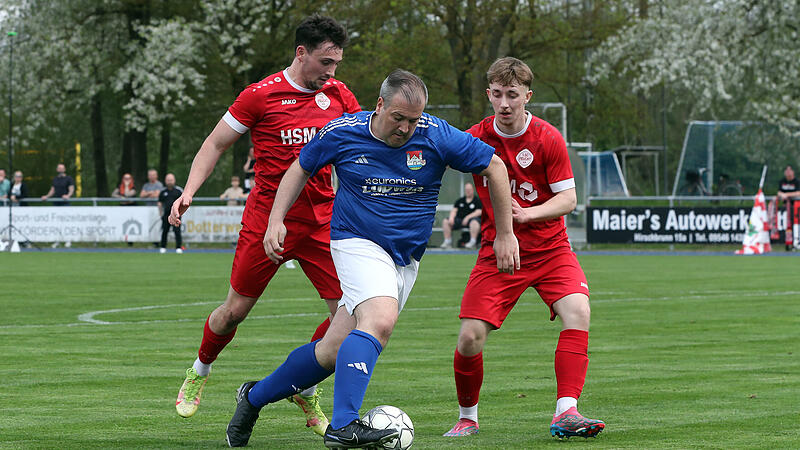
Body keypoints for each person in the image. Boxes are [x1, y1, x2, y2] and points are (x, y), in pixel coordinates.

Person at [224, 69, 519, 448]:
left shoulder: (436, 134)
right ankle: (343, 425)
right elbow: (300, 167)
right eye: (398, 117)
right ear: (379, 105)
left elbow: (495, 166)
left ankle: (253, 397)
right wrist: (275, 219)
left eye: (413, 120)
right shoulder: (343, 131)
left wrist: (505, 233)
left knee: (332, 350)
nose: (406, 128)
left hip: (404, 258)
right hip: (355, 242)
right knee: (379, 320)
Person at [168, 14, 361, 429]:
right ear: (301, 53)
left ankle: (306, 388)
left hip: (323, 222)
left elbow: (362, 145)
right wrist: (189, 190)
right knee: (233, 312)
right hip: (266, 222)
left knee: (347, 318)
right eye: (325, 62)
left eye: (336, 64)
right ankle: (200, 369)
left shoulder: (339, 95)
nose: (331, 72)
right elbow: (215, 143)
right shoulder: (260, 95)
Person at [442, 57, 605, 440]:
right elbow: (433, 155)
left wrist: (527, 216)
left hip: (551, 250)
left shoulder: (547, 137)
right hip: (498, 250)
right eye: (498, 94)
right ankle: (467, 417)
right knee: (469, 337)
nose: (505, 103)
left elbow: (568, 200)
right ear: (489, 94)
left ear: (527, 96)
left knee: (579, 311)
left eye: (512, 95)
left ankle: (566, 410)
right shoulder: (474, 138)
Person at [440, 182, 482, 249]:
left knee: (474, 222)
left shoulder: (477, 200)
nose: (468, 191)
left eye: (469, 189)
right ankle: (447, 242)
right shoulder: (460, 200)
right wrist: (451, 218)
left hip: (472, 221)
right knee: (446, 221)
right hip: (459, 220)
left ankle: (472, 242)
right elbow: (454, 210)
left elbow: (479, 211)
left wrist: (467, 217)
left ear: (472, 190)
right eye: (466, 189)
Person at [777, 165, 800, 250]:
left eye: (790, 170)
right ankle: (788, 243)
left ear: (793, 172)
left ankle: (796, 242)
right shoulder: (782, 181)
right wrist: (781, 195)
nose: (788, 172)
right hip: (786, 207)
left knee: (796, 225)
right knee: (787, 226)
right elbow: (779, 192)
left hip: (796, 208)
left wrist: (787, 195)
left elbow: (798, 193)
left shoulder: (797, 181)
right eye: (786, 170)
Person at [159, 173, 184, 254]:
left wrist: (180, 213)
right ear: (165, 181)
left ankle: (178, 247)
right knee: (164, 231)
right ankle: (163, 247)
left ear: (174, 180)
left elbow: (183, 202)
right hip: (166, 215)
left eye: (171, 180)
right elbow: (160, 203)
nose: (170, 182)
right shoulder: (163, 192)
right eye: (168, 180)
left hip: (176, 215)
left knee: (177, 231)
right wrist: (161, 214)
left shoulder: (179, 191)